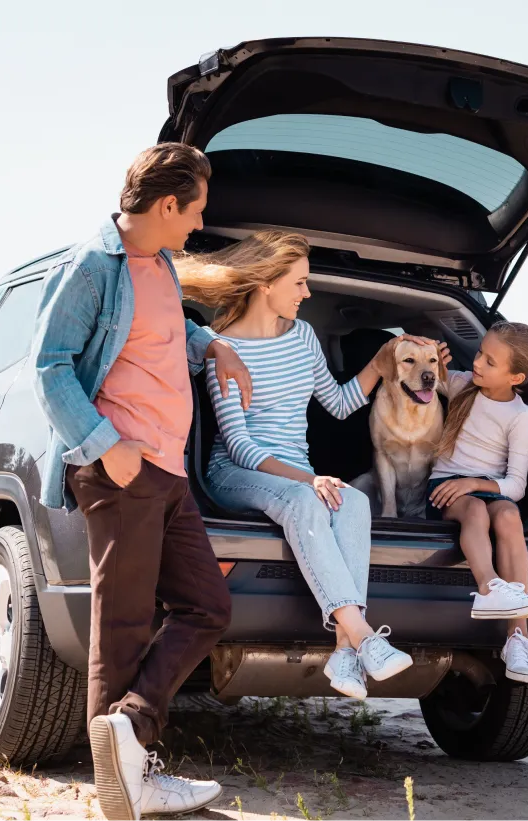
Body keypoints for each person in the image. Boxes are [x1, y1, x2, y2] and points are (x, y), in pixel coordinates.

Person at [31, 143, 253, 820]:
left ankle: (129, 730)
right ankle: (125, 782)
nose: (198, 224)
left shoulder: (158, 263)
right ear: (165, 205)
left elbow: (158, 330)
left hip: (169, 468)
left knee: (207, 606)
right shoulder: (93, 265)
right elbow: (49, 365)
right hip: (122, 469)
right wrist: (105, 444)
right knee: (123, 624)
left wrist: (209, 342)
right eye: (196, 210)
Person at [176, 229, 422, 701]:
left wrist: (382, 359)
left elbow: (340, 403)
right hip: (236, 473)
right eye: (300, 283)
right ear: (266, 284)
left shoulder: (303, 336)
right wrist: (310, 479)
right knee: (306, 501)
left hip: (296, 473)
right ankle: (366, 637)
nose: (308, 293)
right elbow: (241, 446)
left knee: (351, 502)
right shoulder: (222, 349)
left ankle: (344, 653)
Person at [426, 320, 528, 685]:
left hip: (486, 487)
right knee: (475, 509)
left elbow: (515, 485)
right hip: (447, 487)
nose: (478, 363)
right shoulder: (463, 385)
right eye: (480, 353)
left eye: (490, 361)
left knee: (510, 515)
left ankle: (518, 639)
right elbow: (428, 381)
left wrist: (475, 482)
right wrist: (437, 363)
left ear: (516, 378)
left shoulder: (520, 416)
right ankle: (488, 590)